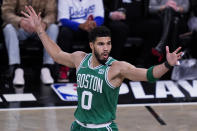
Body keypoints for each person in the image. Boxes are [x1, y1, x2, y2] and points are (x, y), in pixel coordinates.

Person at [22, 6, 182, 130]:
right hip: (78, 126)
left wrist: (167, 64)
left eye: (108, 43)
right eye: (101, 44)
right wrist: (40, 30)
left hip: (102, 128)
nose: (106, 48)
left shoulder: (117, 67)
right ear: (91, 45)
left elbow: (148, 75)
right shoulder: (80, 58)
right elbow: (57, 54)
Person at [1, 0, 58, 85]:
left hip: (40, 29)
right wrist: (21, 21)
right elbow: (6, 12)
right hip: (20, 28)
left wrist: (43, 23)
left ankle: (47, 67)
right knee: (8, 28)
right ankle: (16, 68)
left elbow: (52, 13)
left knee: (53, 27)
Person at [57, 0, 104, 82]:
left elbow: (100, 17)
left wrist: (93, 24)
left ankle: (94, 68)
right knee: (64, 32)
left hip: (89, 27)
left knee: (98, 32)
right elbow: (63, 20)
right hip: (72, 27)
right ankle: (64, 68)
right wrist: (80, 25)